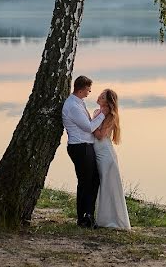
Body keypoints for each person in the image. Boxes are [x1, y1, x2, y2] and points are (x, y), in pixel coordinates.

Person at [61, 75, 106, 228]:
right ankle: (83, 218)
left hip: (86, 146)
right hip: (80, 147)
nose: (89, 92)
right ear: (81, 90)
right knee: (86, 182)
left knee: (93, 180)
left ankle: (88, 215)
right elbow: (88, 127)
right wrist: (103, 116)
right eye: (88, 89)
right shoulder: (73, 106)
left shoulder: (79, 103)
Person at [92, 89, 131, 230]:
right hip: (97, 152)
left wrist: (88, 126)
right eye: (100, 95)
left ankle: (113, 221)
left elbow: (100, 135)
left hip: (105, 154)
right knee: (101, 186)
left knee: (109, 186)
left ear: (108, 102)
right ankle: (101, 218)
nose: (98, 97)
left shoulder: (111, 116)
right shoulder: (97, 112)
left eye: (102, 97)